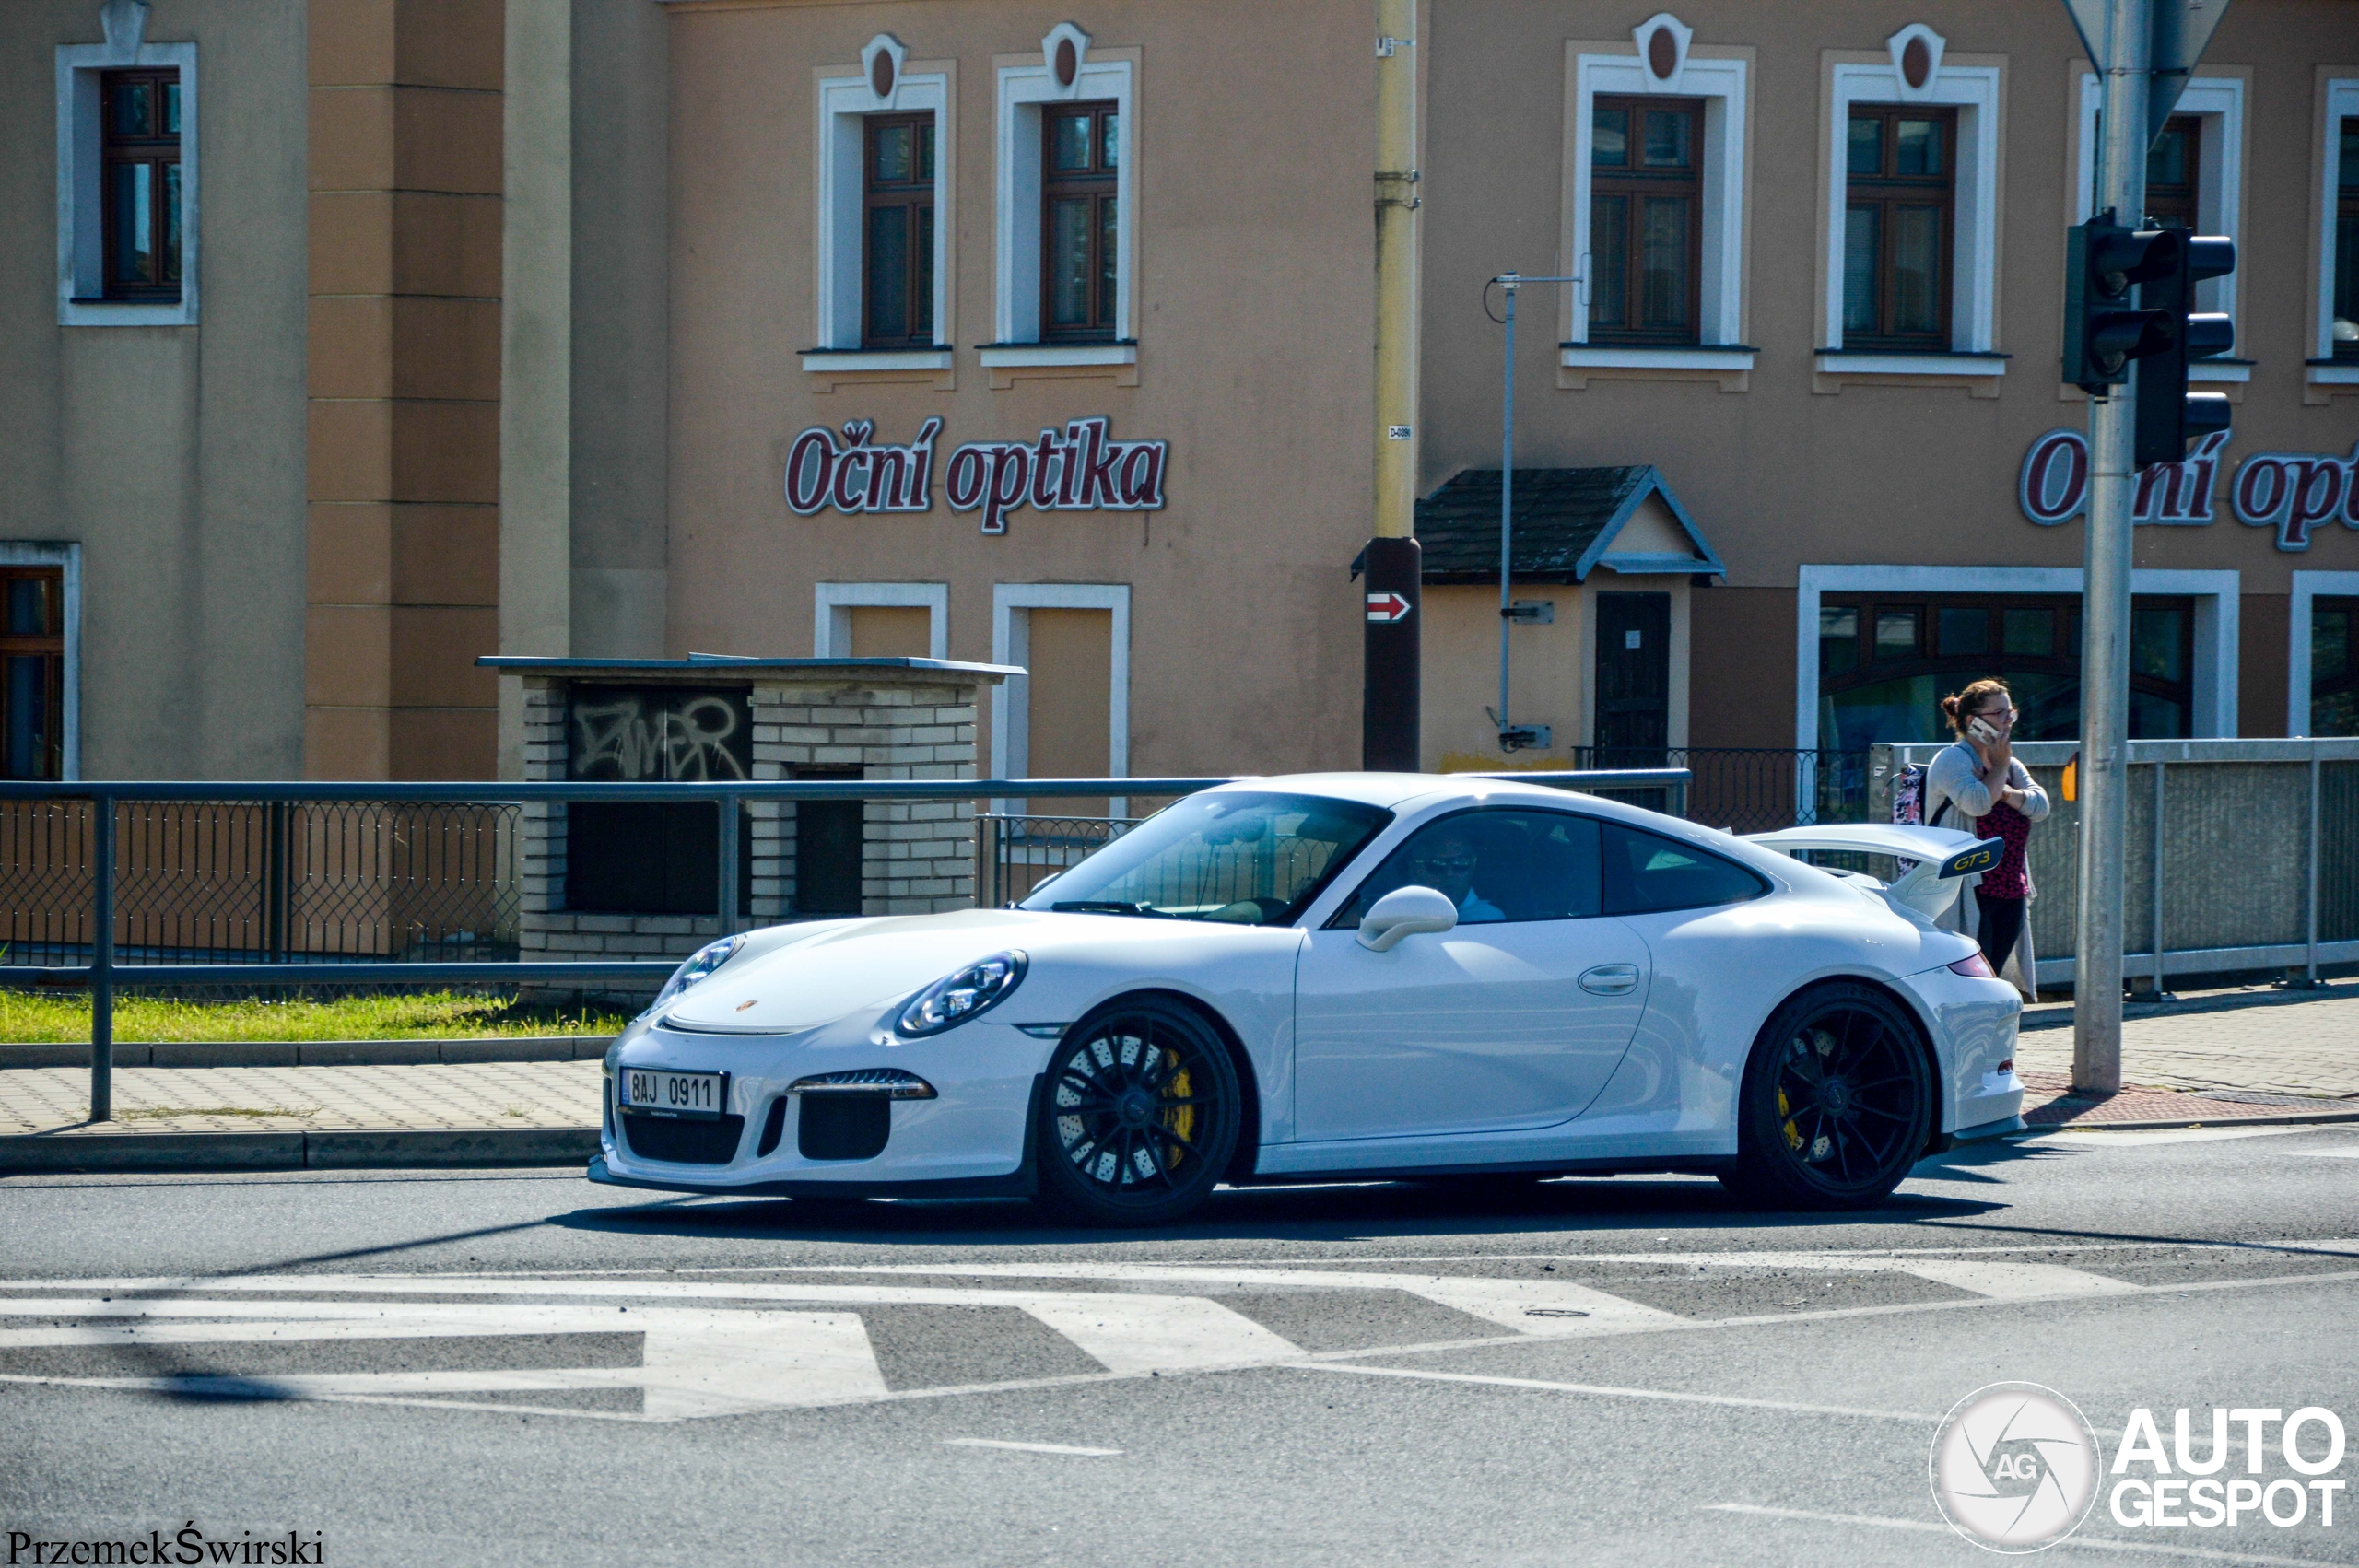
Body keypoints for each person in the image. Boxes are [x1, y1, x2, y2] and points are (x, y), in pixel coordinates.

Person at [1927, 678, 2048, 998]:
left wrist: (2004, 790)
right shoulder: (1953, 760)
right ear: (1972, 721)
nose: (2008, 722)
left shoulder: (2011, 765)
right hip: (1968, 888)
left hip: (2010, 886)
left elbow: (2040, 806)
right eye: (1999, 714)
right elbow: (1978, 804)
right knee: (1970, 978)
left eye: (2010, 713)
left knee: (1994, 976)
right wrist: (2001, 765)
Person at [1406, 825, 1505, 923]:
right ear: (1415, 871)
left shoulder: (1485, 918)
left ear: (1471, 868)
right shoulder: (1403, 913)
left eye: (1461, 863)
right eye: (1436, 864)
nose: (1449, 873)